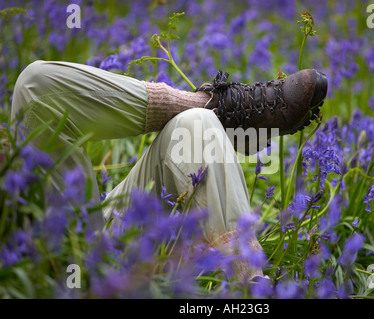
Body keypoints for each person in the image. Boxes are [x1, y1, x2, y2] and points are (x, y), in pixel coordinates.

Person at [10, 60, 327, 281]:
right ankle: (222, 108)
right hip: (42, 258)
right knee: (32, 86)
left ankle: (249, 290)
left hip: (90, 232)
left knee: (195, 127)